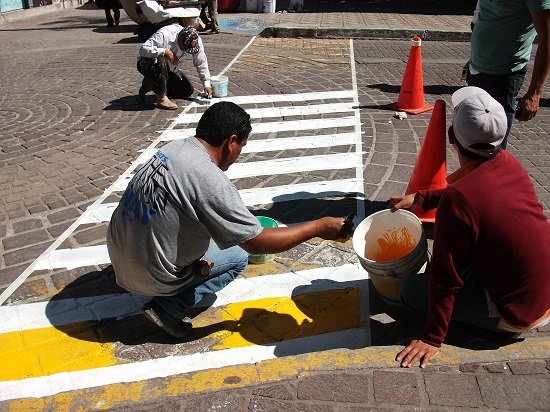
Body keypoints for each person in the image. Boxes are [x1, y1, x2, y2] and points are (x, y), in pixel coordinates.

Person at [106, 102, 352, 338]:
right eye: (242, 146)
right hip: (145, 276)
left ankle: (185, 271)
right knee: (238, 257)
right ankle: (168, 307)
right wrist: (320, 226)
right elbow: (257, 242)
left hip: (119, 257)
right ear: (231, 142)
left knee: (210, 229)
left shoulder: (173, 148)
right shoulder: (209, 180)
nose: (239, 153)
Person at [389, 86, 550, 368]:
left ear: (451, 137)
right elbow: (475, 193)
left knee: (410, 290)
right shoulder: (507, 162)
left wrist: (431, 336)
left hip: (514, 315)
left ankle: (478, 326)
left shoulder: (458, 200)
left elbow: (445, 277)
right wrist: (422, 198)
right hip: (541, 294)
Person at [467, 0, 550, 147]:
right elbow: (482, 14)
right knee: (473, 141)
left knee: (492, 147)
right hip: (477, 68)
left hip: (503, 75)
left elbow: (547, 37)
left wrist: (534, 93)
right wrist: (473, 57)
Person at [137, 25, 212, 110]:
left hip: (170, 69)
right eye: (184, 48)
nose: (186, 51)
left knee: (186, 91)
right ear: (179, 40)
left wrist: (206, 84)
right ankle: (161, 98)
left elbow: (201, 62)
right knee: (161, 60)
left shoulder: (196, 42)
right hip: (147, 64)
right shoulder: (164, 34)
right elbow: (143, 50)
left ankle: (153, 83)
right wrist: (164, 51)